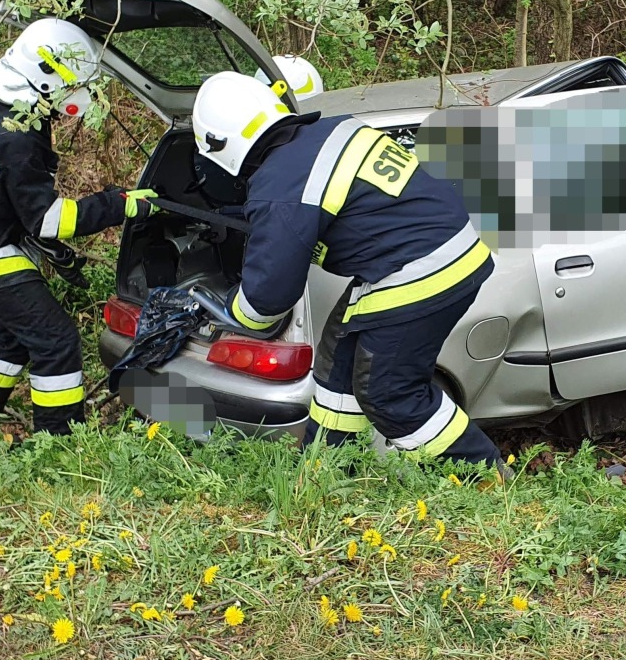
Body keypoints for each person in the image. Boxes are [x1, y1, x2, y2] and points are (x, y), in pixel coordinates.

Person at [191, 70, 505, 470]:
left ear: (222, 146)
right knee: (337, 365)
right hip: (432, 255)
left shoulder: (280, 186)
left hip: (420, 270)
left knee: (390, 394)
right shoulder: (331, 130)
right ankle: (326, 471)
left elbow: (265, 300)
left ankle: (486, 476)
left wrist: (229, 308)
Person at [0, 18, 156, 436]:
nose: (77, 98)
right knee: (56, 339)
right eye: (74, 86)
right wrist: (116, 205)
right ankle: (59, 441)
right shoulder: (15, 135)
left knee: (18, 335)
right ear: (46, 78)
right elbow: (47, 219)